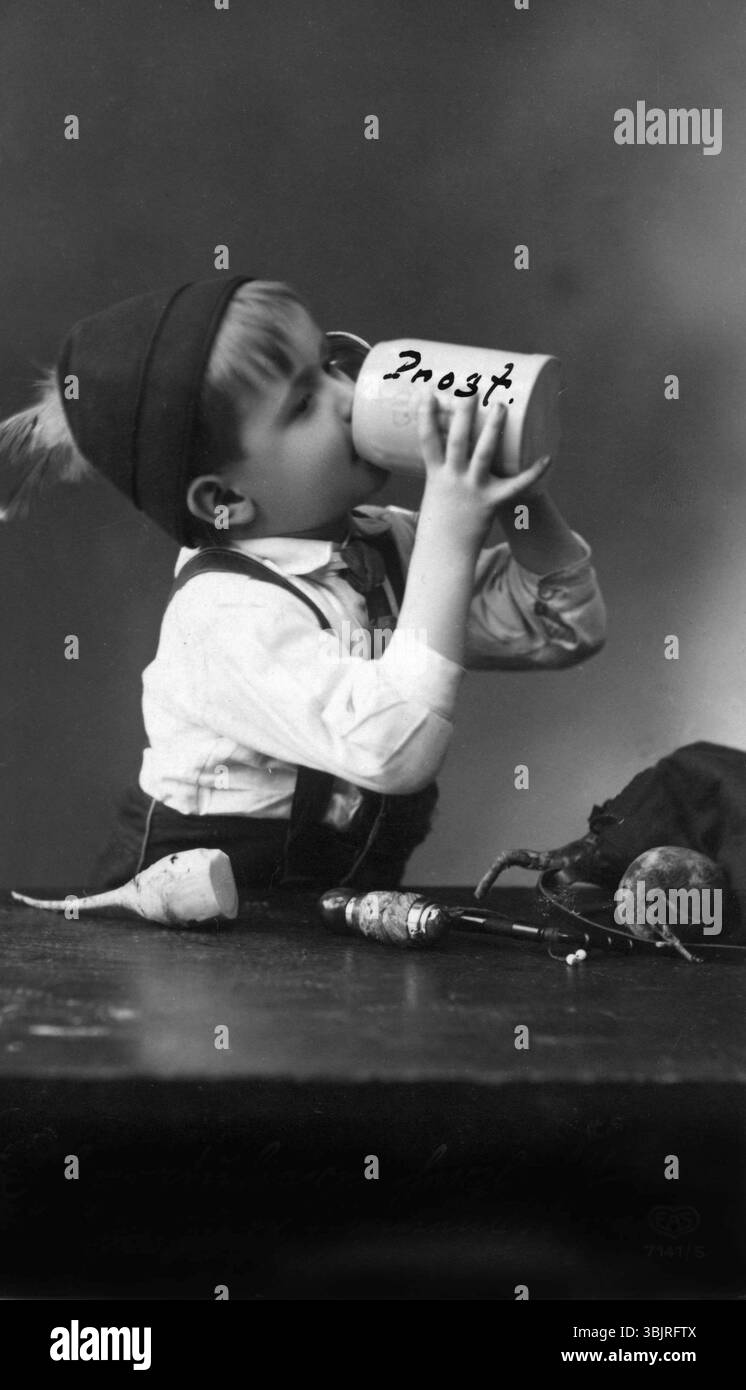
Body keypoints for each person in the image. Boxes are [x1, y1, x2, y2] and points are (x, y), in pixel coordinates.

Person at [0, 276, 606, 894]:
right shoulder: (224, 614)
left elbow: (562, 628)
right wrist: (452, 528)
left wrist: (519, 501)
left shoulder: (379, 545)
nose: (346, 397)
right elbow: (393, 750)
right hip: (188, 927)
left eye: (329, 365)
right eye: (302, 405)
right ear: (227, 499)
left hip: (322, 920)